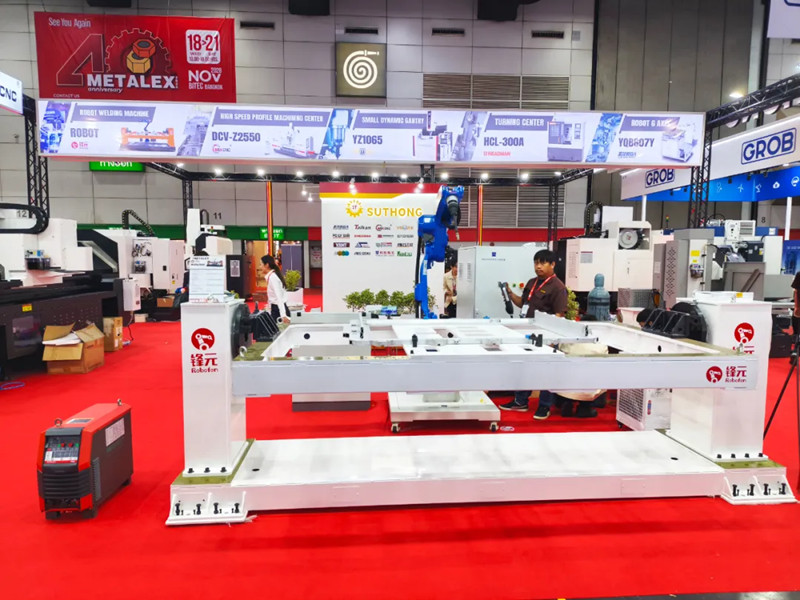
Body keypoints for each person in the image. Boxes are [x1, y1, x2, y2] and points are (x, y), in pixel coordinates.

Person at [499, 249, 568, 419]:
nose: (538, 266)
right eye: (536, 263)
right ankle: (520, 401)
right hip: (527, 333)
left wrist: (552, 339)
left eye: (543, 263)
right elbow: (523, 303)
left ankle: (544, 406)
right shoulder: (532, 282)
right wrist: (510, 294)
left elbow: (559, 315)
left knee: (546, 370)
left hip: (546, 336)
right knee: (524, 367)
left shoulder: (558, 287)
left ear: (552, 264)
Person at [261, 254, 290, 324]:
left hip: (278, 311)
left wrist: (283, 315)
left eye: (261, 264)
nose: (260, 267)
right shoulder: (272, 276)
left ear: (267, 265)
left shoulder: (273, 278)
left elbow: (279, 297)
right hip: (276, 309)